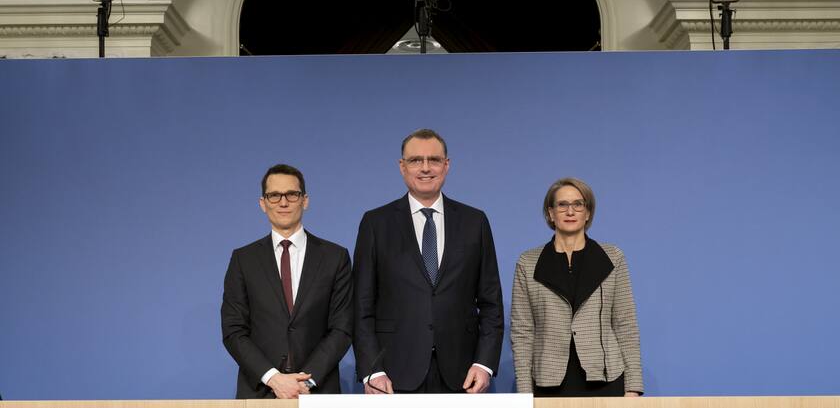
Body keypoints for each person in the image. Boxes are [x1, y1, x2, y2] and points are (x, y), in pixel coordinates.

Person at [353, 129, 504, 394]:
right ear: (402, 167)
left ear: (446, 165)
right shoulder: (375, 223)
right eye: (415, 160)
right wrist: (372, 369)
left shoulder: (474, 222)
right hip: (392, 375)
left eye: (434, 160)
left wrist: (484, 364)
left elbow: (491, 303)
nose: (425, 168)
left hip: (463, 375)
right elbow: (361, 305)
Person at [222, 164, 353, 398]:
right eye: (274, 195)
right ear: (263, 203)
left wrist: (307, 381)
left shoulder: (335, 257)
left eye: (292, 194)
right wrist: (273, 378)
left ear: (305, 200)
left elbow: (342, 328)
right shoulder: (243, 259)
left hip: (318, 391)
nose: (283, 203)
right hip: (259, 392)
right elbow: (233, 331)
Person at [510, 177, 643, 397]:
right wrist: (524, 393)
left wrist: (633, 388)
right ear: (550, 213)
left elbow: (625, 324)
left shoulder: (613, 258)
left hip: (605, 378)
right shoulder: (528, 262)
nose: (570, 211)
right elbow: (523, 332)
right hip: (549, 381)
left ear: (588, 212)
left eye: (578, 204)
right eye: (562, 205)